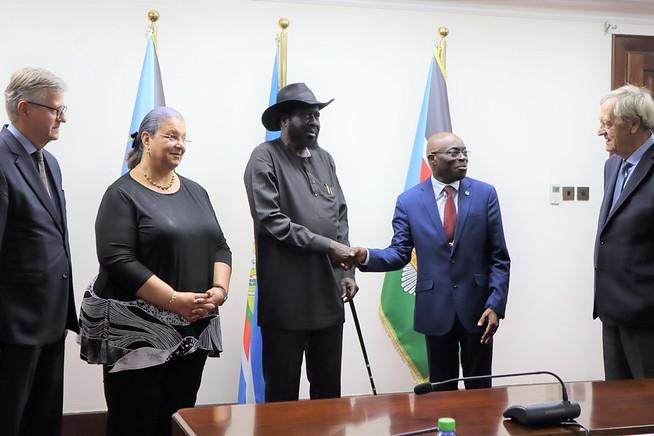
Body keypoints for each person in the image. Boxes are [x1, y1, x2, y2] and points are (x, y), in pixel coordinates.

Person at [78, 107, 232, 436]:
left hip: (193, 330)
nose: (180, 144)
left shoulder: (196, 191)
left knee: (176, 420)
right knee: (134, 423)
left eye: (184, 138)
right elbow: (118, 260)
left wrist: (218, 292)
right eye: (172, 136)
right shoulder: (121, 194)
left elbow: (220, 246)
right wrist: (174, 300)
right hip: (138, 337)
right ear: (146, 139)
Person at [353, 132, 510, 390]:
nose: (462, 157)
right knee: (441, 392)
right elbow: (399, 253)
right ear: (433, 159)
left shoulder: (485, 194)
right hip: (435, 310)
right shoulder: (409, 201)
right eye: (454, 152)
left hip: (479, 310)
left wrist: (496, 304)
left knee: (480, 391)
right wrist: (366, 256)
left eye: (464, 152)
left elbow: (499, 257)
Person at [244, 82, 358, 402]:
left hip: (329, 295)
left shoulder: (325, 159)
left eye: (316, 115)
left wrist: (347, 271)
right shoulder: (264, 157)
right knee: (282, 398)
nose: (314, 121)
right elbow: (271, 221)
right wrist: (328, 246)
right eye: (306, 115)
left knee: (328, 395)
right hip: (287, 301)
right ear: (284, 120)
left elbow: (340, 216)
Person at [0, 67, 78, 436]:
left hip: (50, 321)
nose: (63, 117)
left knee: (43, 422)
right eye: (55, 109)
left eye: (63, 109)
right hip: (12, 328)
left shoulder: (51, 163)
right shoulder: (2, 159)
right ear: (24, 108)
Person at [595, 84, 654, 380]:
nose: (600, 131)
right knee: (615, 400)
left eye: (608, 123)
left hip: (646, 316)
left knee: (646, 402)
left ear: (633, 124)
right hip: (611, 310)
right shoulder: (613, 165)